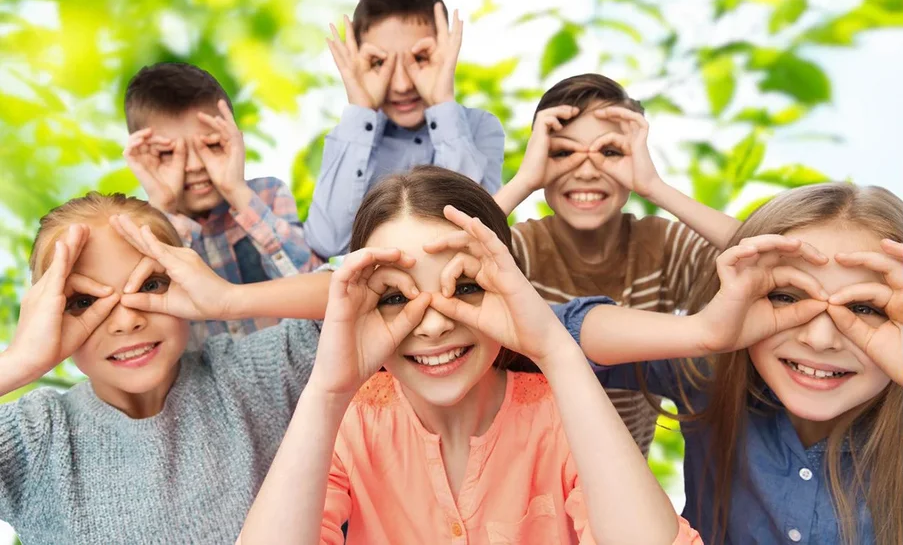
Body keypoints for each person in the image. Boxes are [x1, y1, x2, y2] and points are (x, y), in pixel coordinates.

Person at [238, 166, 702, 544]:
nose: (435, 323)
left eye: (465, 287)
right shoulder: (353, 422)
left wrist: (556, 349)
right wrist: (326, 390)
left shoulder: (560, 415)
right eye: (396, 297)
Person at [559, 183, 903, 544]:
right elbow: (537, 335)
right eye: (785, 296)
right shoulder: (710, 370)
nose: (819, 339)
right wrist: (701, 332)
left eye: (865, 308)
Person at [0, 192, 327, 543]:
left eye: (150, 285)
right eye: (84, 302)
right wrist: (20, 360)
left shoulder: (249, 376)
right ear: (46, 314)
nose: (126, 321)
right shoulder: (35, 439)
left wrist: (230, 299)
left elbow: (370, 293)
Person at [494, 73, 739, 455]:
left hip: (625, 473)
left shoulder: (662, 246)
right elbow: (439, 259)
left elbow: (772, 256)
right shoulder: (521, 248)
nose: (587, 170)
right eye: (562, 152)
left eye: (609, 152)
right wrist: (523, 180)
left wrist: (655, 187)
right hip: (526, 470)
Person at [304, 0, 506, 260]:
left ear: (446, 53)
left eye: (420, 58)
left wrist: (441, 102)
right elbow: (327, 241)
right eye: (379, 63)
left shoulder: (480, 127)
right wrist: (360, 107)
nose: (401, 84)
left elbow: (470, 233)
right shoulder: (352, 137)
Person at [123, 62, 321, 345]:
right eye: (168, 153)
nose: (194, 165)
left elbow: (320, 286)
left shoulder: (267, 195)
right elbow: (141, 319)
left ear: (235, 140)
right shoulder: (139, 231)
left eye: (212, 145)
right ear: (142, 158)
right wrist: (162, 209)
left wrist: (237, 192)